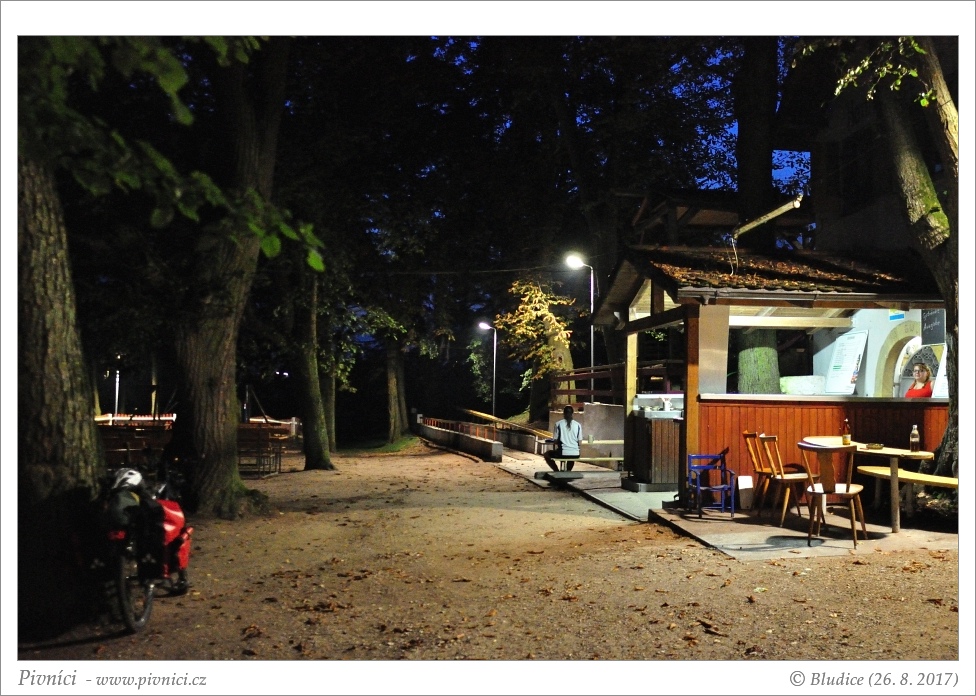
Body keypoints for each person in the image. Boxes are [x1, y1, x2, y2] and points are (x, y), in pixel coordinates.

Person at [544, 405, 583, 472]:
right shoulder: (578, 425)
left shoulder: (558, 424)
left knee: (547, 454)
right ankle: (568, 471)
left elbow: (555, 440)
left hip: (562, 453)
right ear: (572, 413)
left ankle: (556, 471)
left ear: (563, 413)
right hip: (576, 454)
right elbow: (580, 442)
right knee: (571, 455)